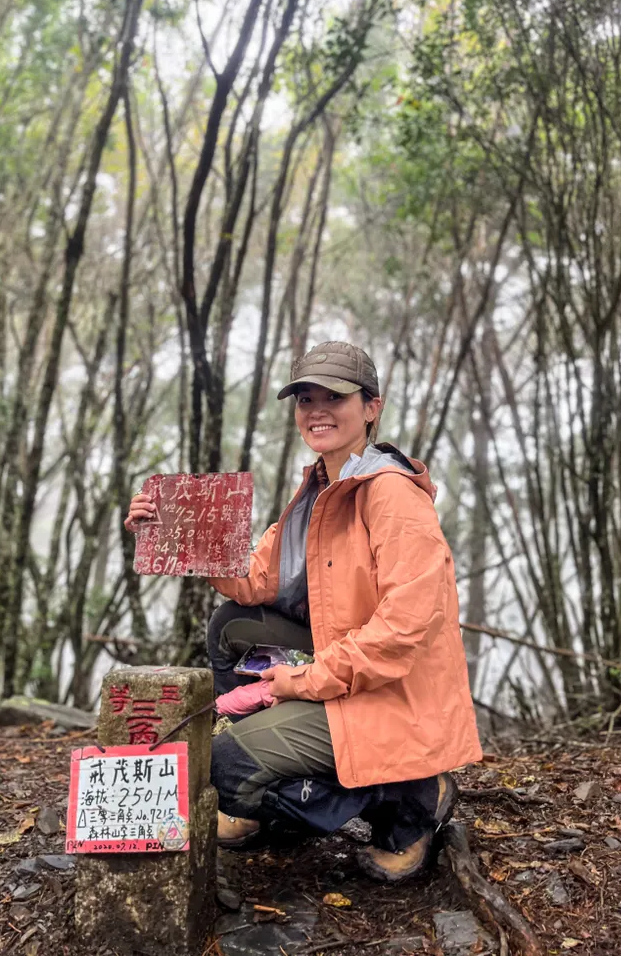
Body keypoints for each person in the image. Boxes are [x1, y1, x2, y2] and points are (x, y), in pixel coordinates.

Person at [126, 341, 482, 882]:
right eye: (304, 398)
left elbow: (403, 628)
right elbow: (255, 581)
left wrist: (304, 680)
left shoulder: (392, 495)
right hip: (349, 670)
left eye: (334, 396)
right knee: (230, 626)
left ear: (371, 406)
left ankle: (407, 801)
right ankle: (273, 803)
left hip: (393, 690)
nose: (316, 410)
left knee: (223, 766)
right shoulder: (318, 489)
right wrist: (174, 533)